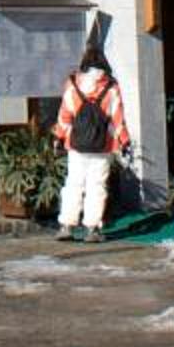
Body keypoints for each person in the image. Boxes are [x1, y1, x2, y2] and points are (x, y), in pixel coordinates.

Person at [51, 44, 131, 241]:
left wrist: (58, 137)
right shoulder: (111, 87)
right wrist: (124, 142)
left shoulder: (73, 84)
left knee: (74, 183)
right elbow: (118, 118)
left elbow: (64, 114)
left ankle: (66, 226)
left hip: (76, 144)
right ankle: (92, 229)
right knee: (97, 185)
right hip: (103, 145)